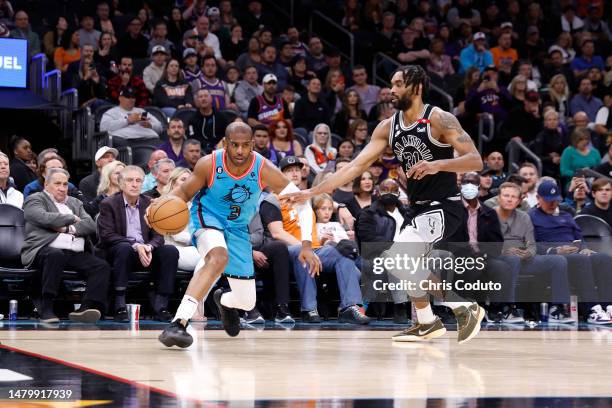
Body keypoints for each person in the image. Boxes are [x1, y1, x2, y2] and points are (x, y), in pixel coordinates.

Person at [284, 65, 485, 343]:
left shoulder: (439, 118)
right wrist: (311, 192)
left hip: (443, 205)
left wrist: (438, 164)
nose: (392, 89)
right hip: (418, 207)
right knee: (400, 262)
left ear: (416, 87)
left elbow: (475, 160)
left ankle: (464, 307)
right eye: (392, 83)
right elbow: (354, 166)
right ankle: (428, 322)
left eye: (399, 83)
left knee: (400, 258)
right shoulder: (388, 127)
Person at [157, 122, 321, 347]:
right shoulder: (209, 164)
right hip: (208, 217)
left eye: (246, 145)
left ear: (253, 145)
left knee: (246, 301)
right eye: (235, 145)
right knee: (218, 257)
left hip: (238, 228)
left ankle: (224, 302)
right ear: (225, 144)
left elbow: (301, 203)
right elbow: (185, 191)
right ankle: (178, 322)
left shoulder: (263, 168)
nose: (241, 151)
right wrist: (161, 204)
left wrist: (306, 245)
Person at [262, 156, 368, 325]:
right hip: (289, 249)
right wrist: (306, 249)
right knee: (301, 253)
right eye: (289, 171)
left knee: (342, 253)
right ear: (280, 175)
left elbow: (326, 202)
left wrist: (341, 207)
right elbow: (277, 233)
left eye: (297, 169)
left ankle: (350, 307)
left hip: (316, 247)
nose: (295, 173)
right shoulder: (272, 199)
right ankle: (309, 308)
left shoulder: (306, 197)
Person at [21, 168, 110, 323]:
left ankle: (85, 308)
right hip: (43, 248)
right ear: (46, 184)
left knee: (101, 266)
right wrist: (71, 218)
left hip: (73, 250)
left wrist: (69, 228)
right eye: (57, 184)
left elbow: (90, 224)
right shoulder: (35, 199)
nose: (62, 188)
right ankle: (46, 308)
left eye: (65, 184)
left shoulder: (75, 202)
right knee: (55, 255)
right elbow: (43, 217)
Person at [98, 165, 179, 322]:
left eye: (138, 181)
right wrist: (136, 245)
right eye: (130, 180)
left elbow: (159, 235)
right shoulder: (109, 203)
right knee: (124, 248)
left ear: (143, 183)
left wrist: (149, 246)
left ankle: (161, 305)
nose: (134, 184)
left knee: (170, 251)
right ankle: (119, 305)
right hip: (119, 252)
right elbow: (107, 235)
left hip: (145, 252)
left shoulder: (150, 203)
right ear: (121, 184)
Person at [529, 180, 612, 323]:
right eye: (548, 200)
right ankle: (593, 309)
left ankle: (609, 306)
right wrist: (555, 250)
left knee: (603, 258)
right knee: (580, 259)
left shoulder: (566, 216)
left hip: (575, 251)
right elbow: (531, 244)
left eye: (555, 200)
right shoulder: (531, 216)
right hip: (553, 256)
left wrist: (585, 248)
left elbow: (579, 237)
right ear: (538, 198)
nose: (552, 204)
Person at [494, 181, 573, 323]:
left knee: (558, 260)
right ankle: (508, 308)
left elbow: (531, 244)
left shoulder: (524, 217)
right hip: (499, 258)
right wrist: (505, 250)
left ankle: (558, 309)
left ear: (519, 200)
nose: (510, 199)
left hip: (523, 258)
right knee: (513, 259)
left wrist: (528, 253)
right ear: (499, 198)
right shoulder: (489, 215)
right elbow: (483, 243)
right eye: (506, 195)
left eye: (513, 197)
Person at [355, 179, 411, 323]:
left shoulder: (408, 214)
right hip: (374, 256)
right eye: (385, 189)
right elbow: (368, 239)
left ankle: (442, 310)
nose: (389, 193)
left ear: (399, 193)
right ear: (378, 192)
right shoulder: (368, 213)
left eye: (393, 190)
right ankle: (400, 306)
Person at [161, 168, 206, 321]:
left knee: (209, 260)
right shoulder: (165, 204)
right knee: (209, 259)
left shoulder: (196, 206)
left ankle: (193, 305)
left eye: (190, 180)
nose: (188, 183)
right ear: (173, 183)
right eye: (183, 179)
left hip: (194, 251)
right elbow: (177, 234)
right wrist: (199, 237)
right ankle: (196, 304)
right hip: (173, 251)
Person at [186, 89, 232, 154]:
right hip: (200, 151)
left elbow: (228, 134)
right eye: (200, 97)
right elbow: (192, 138)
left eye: (206, 96)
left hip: (221, 149)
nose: (203, 99)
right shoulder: (192, 120)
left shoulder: (221, 117)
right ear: (197, 101)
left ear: (211, 99)